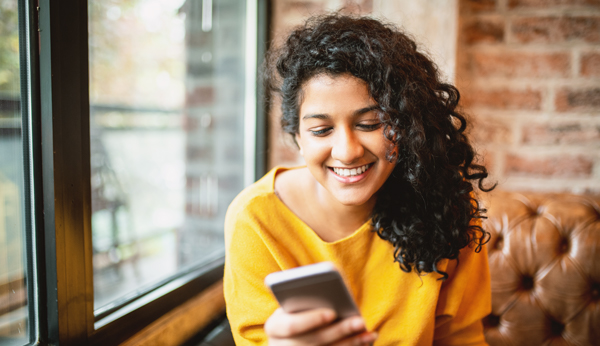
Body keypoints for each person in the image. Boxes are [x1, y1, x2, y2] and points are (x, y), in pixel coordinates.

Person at [224, 13, 494, 346]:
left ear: (407, 125)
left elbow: (462, 339)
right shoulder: (256, 220)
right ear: (298, 137)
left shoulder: (446, 207)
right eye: (321, 130)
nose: (347, 152)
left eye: (370, 124)